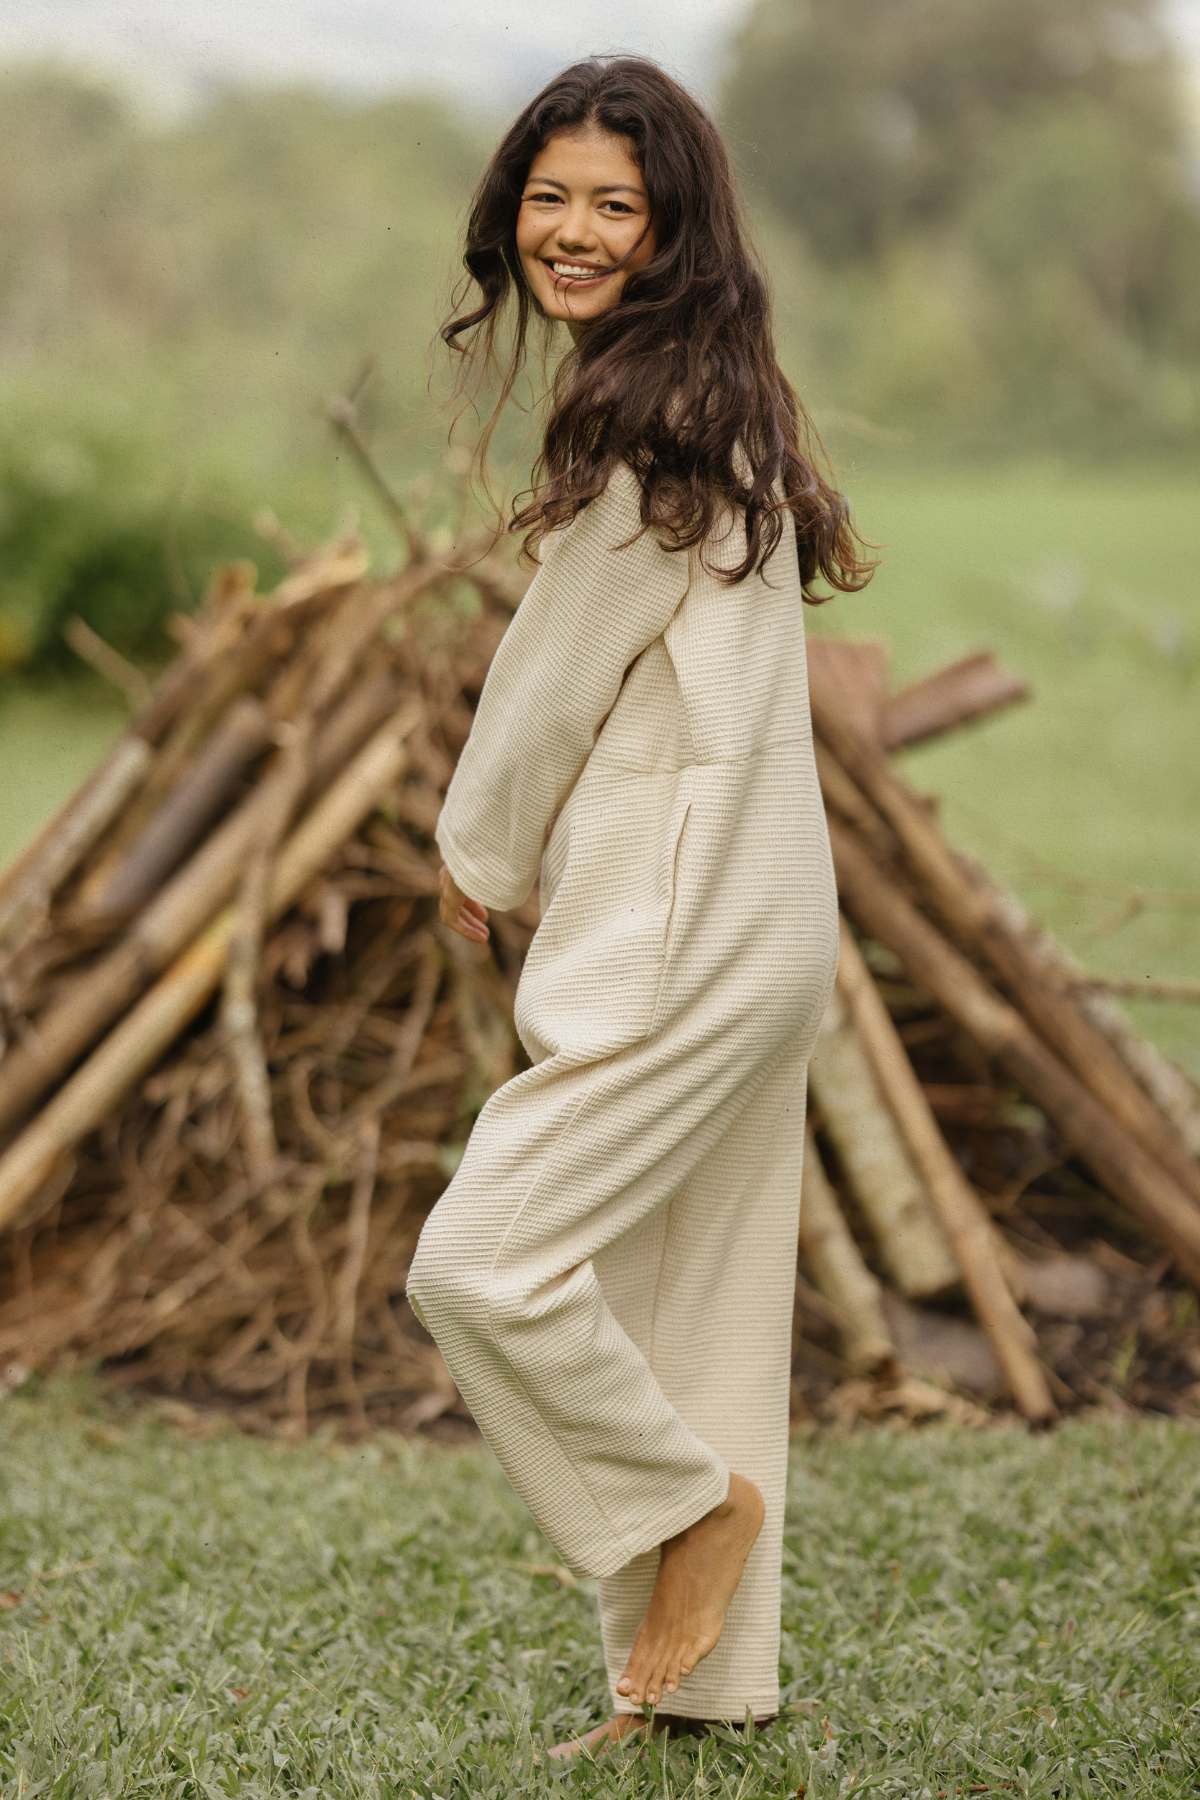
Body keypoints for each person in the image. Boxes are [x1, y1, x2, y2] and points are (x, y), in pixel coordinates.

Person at [405, 53, 877, 1764]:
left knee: (481, 1261)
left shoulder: (654, 415)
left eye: (615, 202)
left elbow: (548, 680)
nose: (574, 230)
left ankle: (681, 1505)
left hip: (685, 932)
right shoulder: (715, 390)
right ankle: (694, 1694)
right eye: (550, 196)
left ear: (674, 227)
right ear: (510, 207)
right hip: (758, 925)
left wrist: (480, 851)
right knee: (698, 1310)